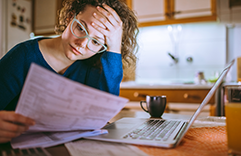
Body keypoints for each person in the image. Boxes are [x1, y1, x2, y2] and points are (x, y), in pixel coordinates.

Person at [0, 0, 138, 143]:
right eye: (80, 28)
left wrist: (114, 47)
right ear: (69, 18)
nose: (82, 44)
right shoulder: (23, 56)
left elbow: (103, 114)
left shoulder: (93, 67)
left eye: (96, 42)